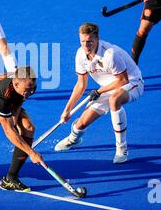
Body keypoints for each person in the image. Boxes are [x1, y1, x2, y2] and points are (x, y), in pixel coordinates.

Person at [55, 23, 144, 164]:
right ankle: (74, 139)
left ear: (97, 39)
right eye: (82, 41)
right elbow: (80, 84)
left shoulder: (110, 54)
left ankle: (122, 148)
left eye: (89, 42)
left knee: (114, 100)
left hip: (132, 83)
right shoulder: (80, 54)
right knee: (81, 123)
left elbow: (122, 80)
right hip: (107, 87)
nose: (85, 46)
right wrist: (67, 110)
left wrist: (98, 91)